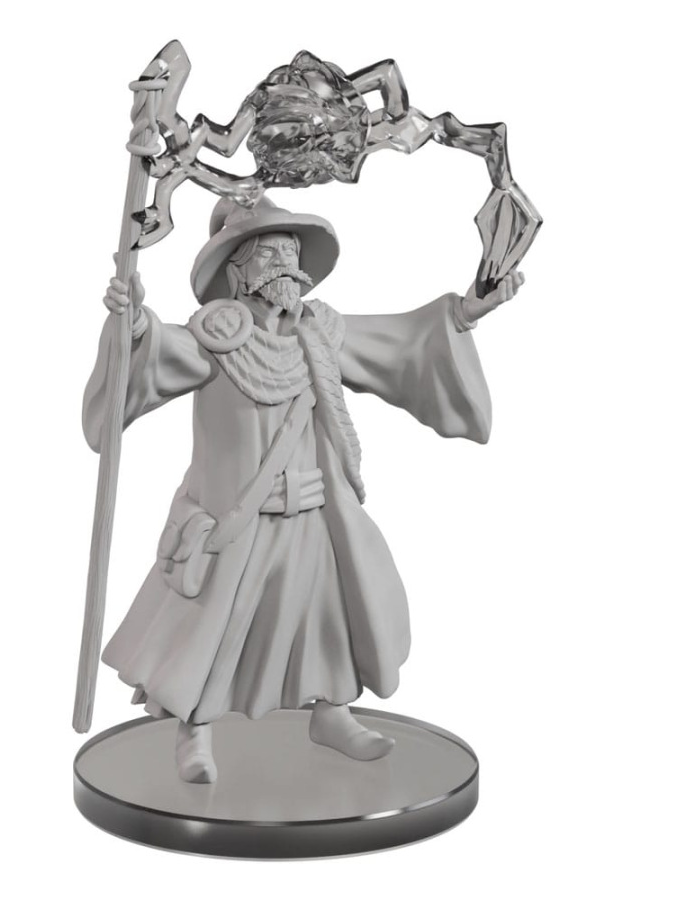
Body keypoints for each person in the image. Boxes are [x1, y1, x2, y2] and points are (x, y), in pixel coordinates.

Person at [82, 198, 524, 783]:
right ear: (237, 270)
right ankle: (195, 730)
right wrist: (135, 324)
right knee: (215, 630)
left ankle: (332, 713)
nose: (285, 263)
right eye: (269, 252)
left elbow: (400, 342)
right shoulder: (216, 337)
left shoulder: (322, 333)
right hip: (240, 518)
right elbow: (163, 351)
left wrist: (466, 312)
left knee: (325, 617)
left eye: (290, 251)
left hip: (313, 510)